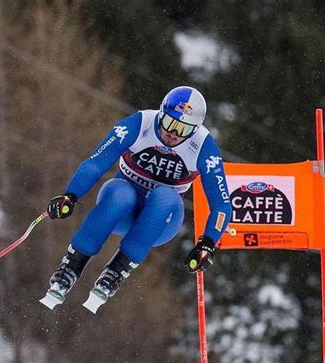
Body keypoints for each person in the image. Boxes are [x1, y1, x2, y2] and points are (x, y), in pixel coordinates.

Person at [40, 86, 232, 313]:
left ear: (195, 129)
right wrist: (70, 196)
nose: (173, 133)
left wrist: (207, 244)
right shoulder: (140, 123)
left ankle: (117, 271)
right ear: (161, 113)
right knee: (121, 192)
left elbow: (221, 204)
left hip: (161, 220)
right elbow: (96, 161)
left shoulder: (203, 147)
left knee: (165, 196)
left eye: (183, 129)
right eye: (170, 123)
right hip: (121, 208)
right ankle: (70, 267)